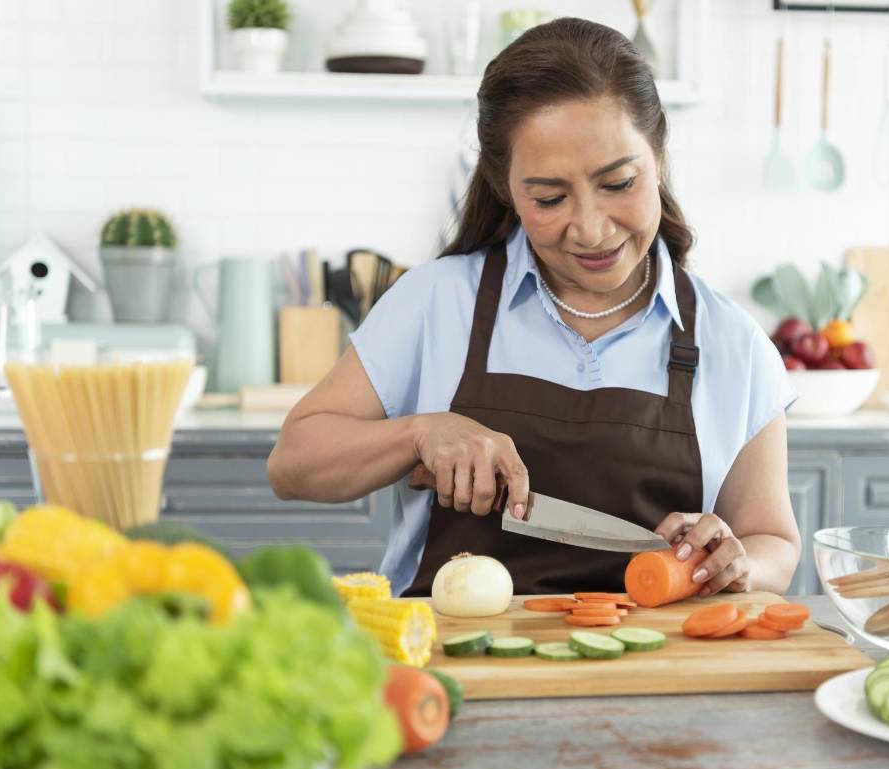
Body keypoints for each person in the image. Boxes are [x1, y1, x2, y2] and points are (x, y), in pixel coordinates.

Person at [268, 17, 801, 598]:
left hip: (657, 674)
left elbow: (773, 542)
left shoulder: (733, 342)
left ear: (659, 155)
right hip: (452, 668)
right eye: (549, 197)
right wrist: (419, 434)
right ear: (505, 186)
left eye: (619, 183)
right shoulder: (437, 302)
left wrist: (737, 563)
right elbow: (292, 464)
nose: (592, 229)